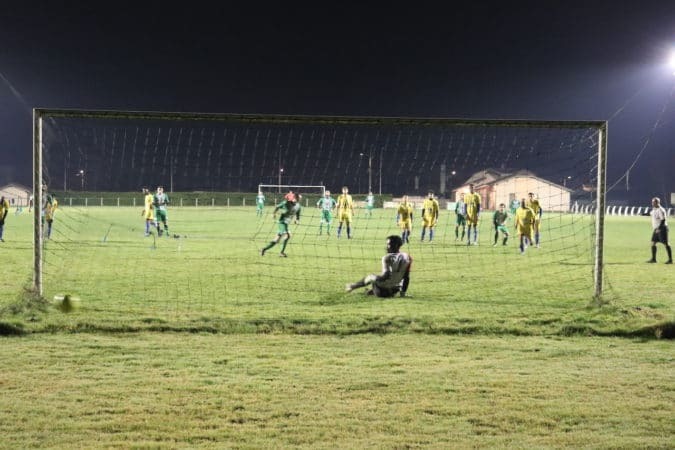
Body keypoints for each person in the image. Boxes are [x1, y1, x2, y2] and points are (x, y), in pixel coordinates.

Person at [345, 235, 412, 298]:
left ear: (396, 245)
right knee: (384, 282)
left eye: (388, 244)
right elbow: (406, 277)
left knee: (371, 277)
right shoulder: (407, 257)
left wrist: (374, 278)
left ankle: (352, 286)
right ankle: (370, 291)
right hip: (394, 290)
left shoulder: (387, 258)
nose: (386, 247)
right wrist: (403, 293)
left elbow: (385, 276)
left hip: (381, 292)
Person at [260, 192, 302, 257]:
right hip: (282, 222)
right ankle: (281, 253)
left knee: (276, 240)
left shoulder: (298, 206)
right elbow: (277, 206)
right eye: (299, 197)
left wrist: (297, 220)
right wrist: (273, 214)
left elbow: (298, 215)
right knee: (288, 235)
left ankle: (264, 249)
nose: (300, 198)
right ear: (295, 197)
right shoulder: (286, 203)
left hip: (286, 224)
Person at [645, 197, 672, 264]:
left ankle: (670, 260)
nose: (652, 203)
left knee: (666, 243)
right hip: (656, 229)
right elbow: (650, 214)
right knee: (653, 243)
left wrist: (659, 229)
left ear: (657, 202)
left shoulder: (661, 210)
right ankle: (653, 259)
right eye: (652, 202)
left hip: (662, 229)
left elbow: (663, 220)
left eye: (653, 202)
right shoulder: (654, 209)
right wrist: (642, 214)